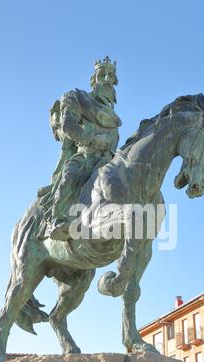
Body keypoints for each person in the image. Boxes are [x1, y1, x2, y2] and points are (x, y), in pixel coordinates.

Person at [38, 56, 121, 241]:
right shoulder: (77, 97)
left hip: (108, 160)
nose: (107, 79)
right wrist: (94, 141)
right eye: (102, 75)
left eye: (111, 76)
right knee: (70, 176)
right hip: (85, 156)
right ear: (94, 80)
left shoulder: (113, 117)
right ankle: (57, 220)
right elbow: (69, 126)